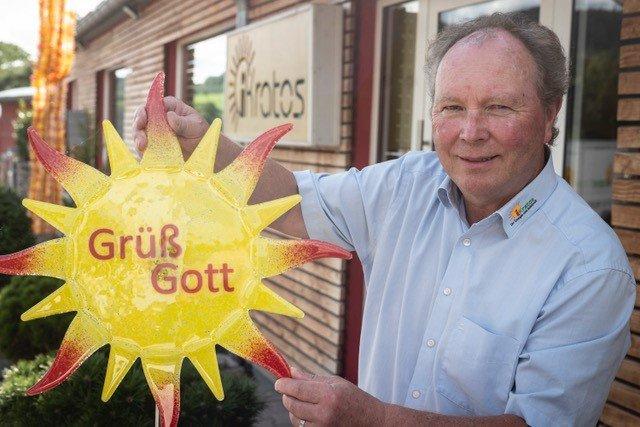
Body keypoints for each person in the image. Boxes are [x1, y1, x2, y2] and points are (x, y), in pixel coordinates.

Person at [134, 13, 635, 427]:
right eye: (452, 107)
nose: (470, 132)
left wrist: (371, 418)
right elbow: (293, 201)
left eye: (499, 107)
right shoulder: (406, 185)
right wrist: (206, 149)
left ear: (550, 115)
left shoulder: (590, 267)